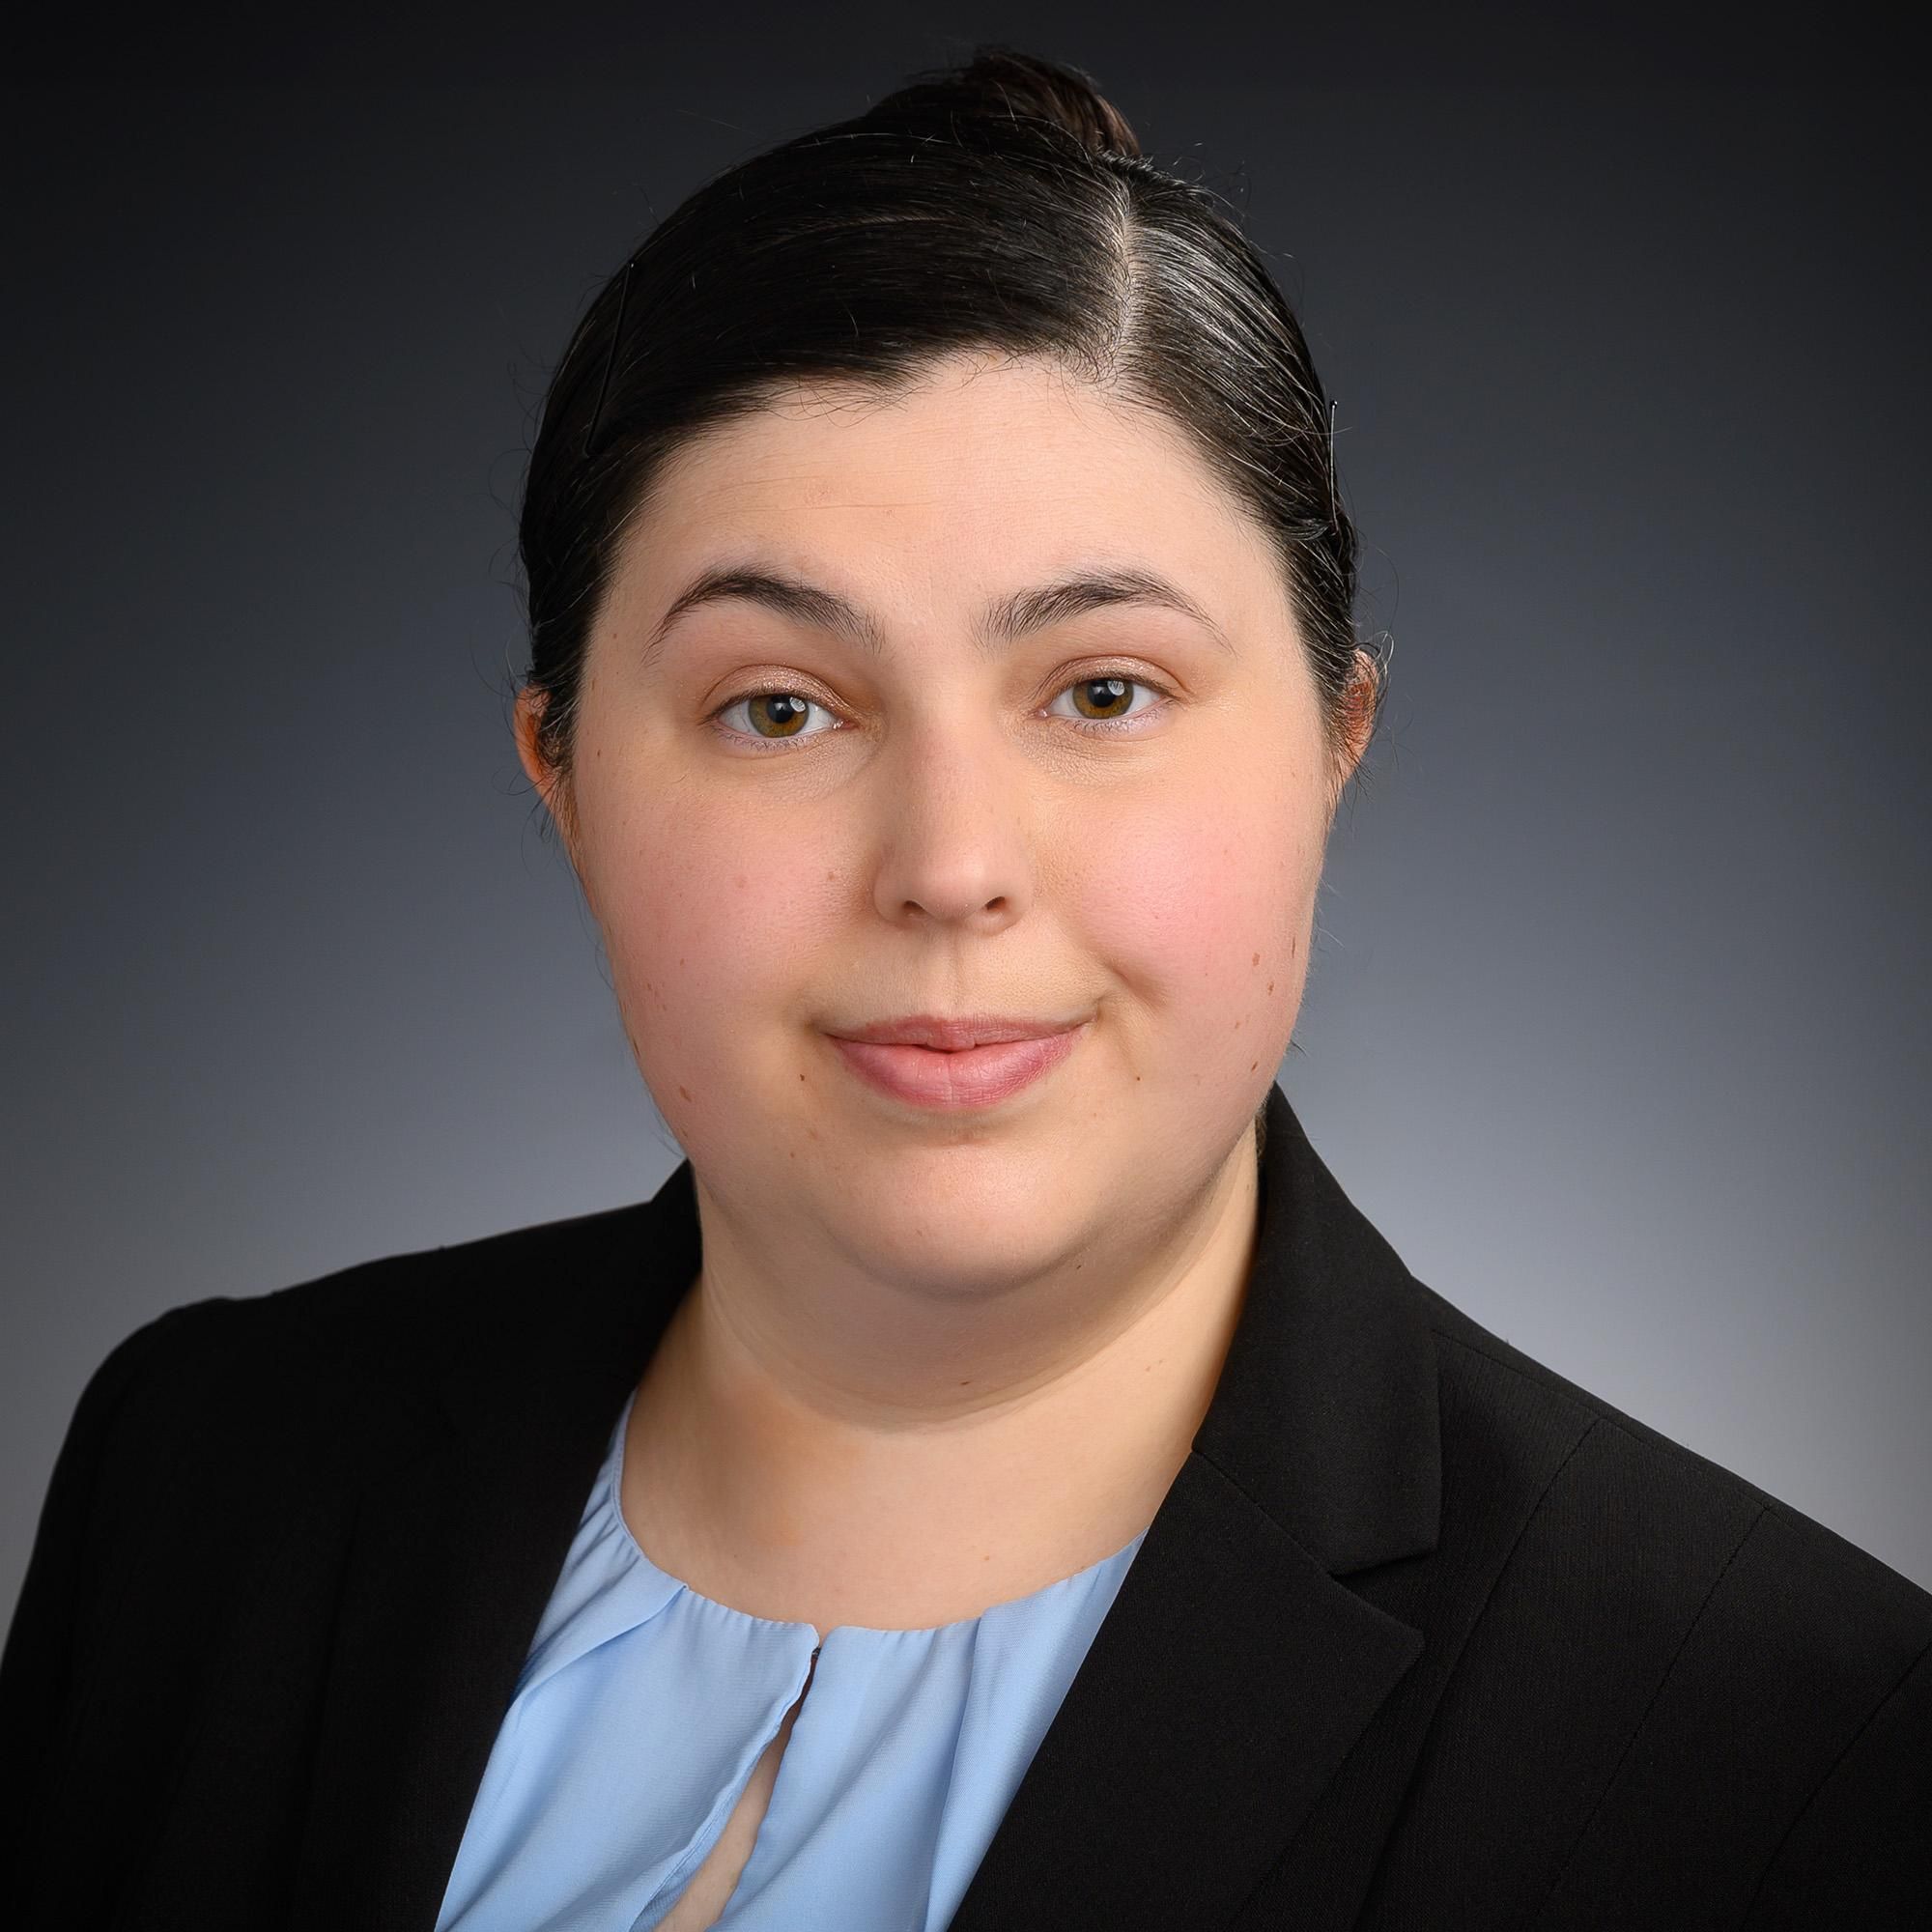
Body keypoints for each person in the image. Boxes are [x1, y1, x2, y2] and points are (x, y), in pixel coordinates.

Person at [2, 43, 1926, 1932]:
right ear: (561, 778)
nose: (947, 862)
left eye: (1103, 691)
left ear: (1336, 745)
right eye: (779, 708)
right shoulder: (207, 1471)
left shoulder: (1792, 1751)